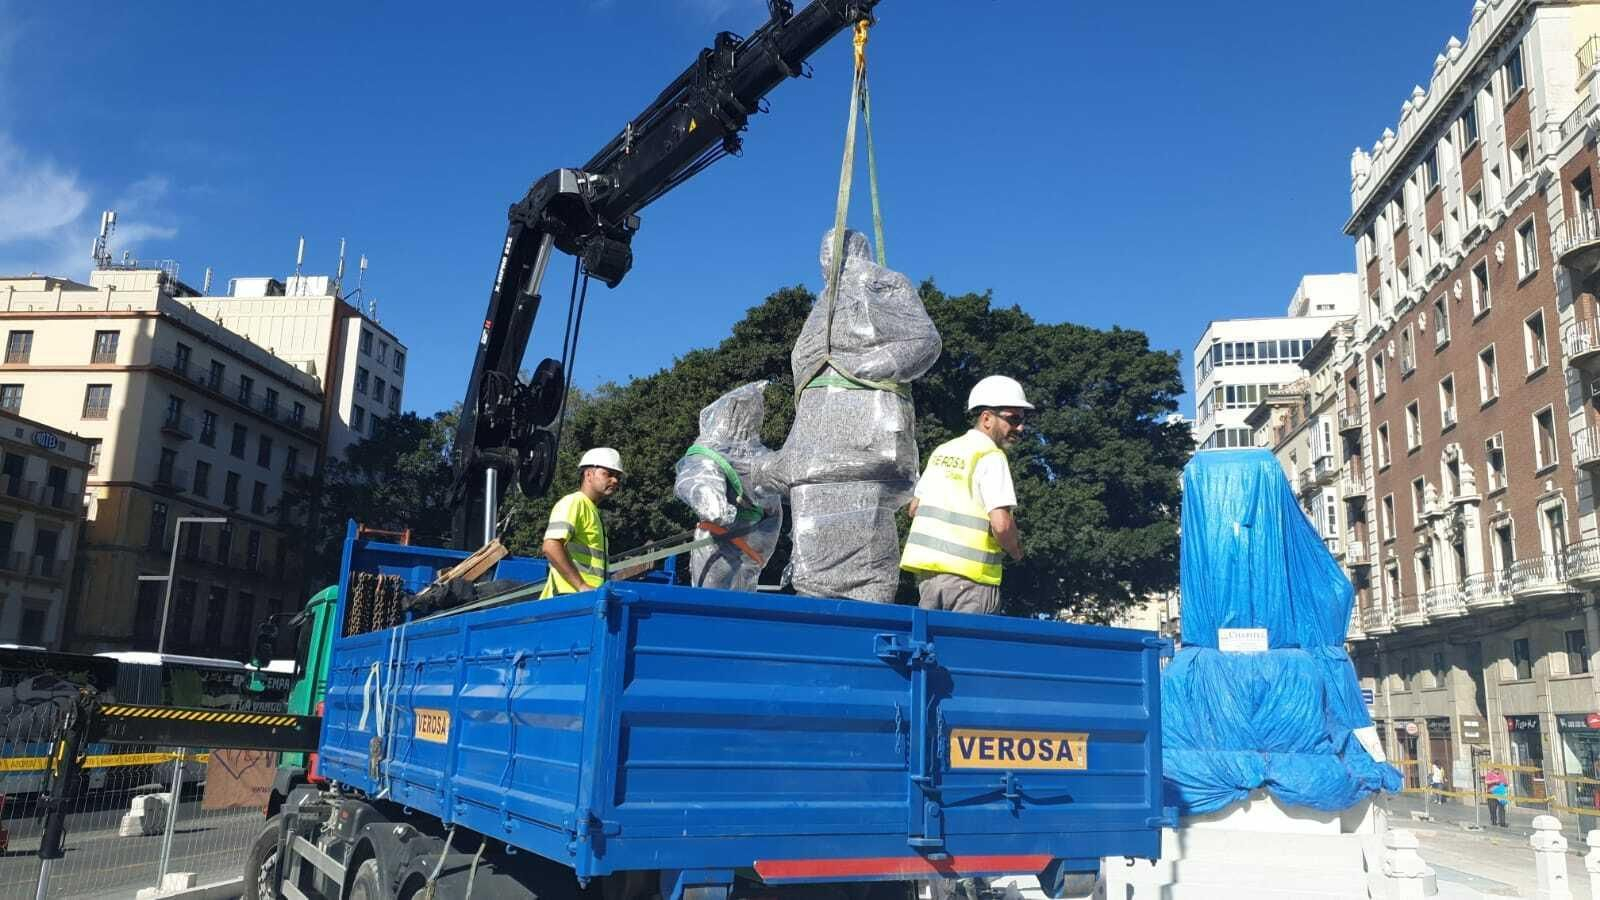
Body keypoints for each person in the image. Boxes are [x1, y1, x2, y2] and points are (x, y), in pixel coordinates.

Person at [899, 375, 1031, 614]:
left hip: (930, 581)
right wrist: (1016, 551)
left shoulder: (943, 451)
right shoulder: (991, 456)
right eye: (1013, 419)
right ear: (987, 418)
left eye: (1022, 420)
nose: (1020, 427)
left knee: (930, 638)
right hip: (972, 583)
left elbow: (914, 508)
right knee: (969, 640)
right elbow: (1001, 525)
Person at [540, 448, 623, 599]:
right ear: (588, 474)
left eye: (618, 476)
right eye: (608, 474)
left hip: (586, 598)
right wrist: (581, 585)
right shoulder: (574, 502)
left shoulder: (593, 511)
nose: (615, 480)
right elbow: (550, 546)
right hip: (568, 598)